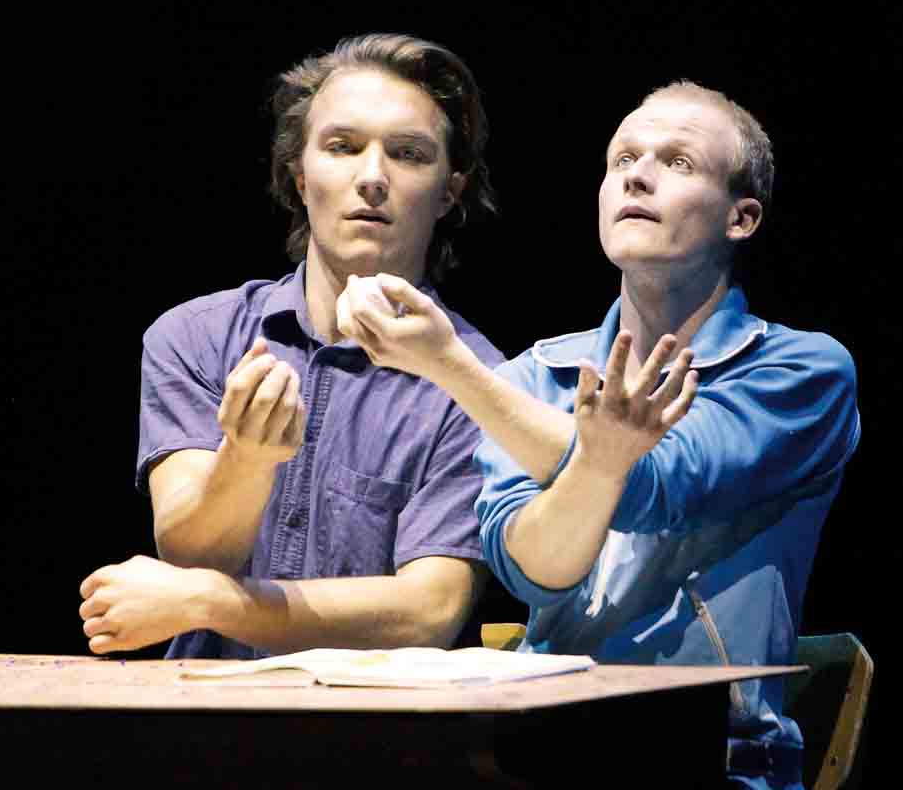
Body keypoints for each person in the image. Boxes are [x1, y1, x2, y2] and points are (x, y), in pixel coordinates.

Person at [334, 80, 860, 790]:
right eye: (623, 160)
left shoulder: (801, 370)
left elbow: (656, 484)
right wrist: (595, 460)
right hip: (538, 749)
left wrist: (450, 366)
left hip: (713, 762)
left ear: (740, 217)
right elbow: (533, 570)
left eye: (677, 162)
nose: (637, 176)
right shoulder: (535, 376)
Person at [78, 33, 505, 659]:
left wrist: (211, 601)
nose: (372, 177)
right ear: (300, 177)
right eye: (342, 147)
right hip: (203, 708)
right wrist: (246, 460)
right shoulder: (197, 337)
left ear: (450, 191)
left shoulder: (481, 385)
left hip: (377, 718)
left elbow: (428, 612)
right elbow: (191, 553)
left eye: (408, 154)